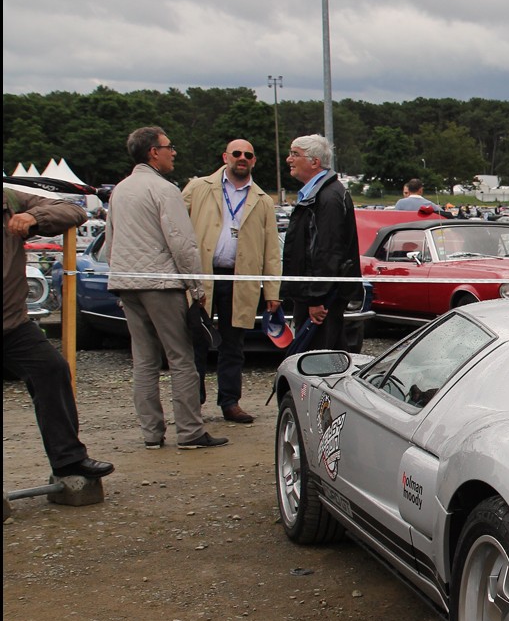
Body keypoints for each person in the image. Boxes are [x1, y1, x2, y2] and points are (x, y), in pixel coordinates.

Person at [106, 127, 228, 450]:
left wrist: (119, 279)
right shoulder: (164, 189)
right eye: (168, 147)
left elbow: (111, 241)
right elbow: (183, 243)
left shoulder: (119, 190)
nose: (173, 152)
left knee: (144, 360)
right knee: (181, 358)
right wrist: (197, 286)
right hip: (160, 283)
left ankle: (151, 434)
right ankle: (189, 432)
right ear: (152, 152)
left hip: (127, 284)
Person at [2, 185, 114, 479]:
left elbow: (74, 210)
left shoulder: (10, 200)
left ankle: (69, 461)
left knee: (52, 370)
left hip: (11, 324)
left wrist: (33, 217)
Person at [183, 139, 281, 425]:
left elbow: (271, 250)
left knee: (233, 344)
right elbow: (176, 228)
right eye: (236, 153)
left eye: (248, 154)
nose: (242, 158)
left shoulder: (263, 200)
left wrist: (272, 291)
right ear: (225, 156)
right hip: (203, 277)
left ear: (254, 161)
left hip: (240, 280)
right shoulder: (198, 188)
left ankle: (230, 402)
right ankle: (192, 403)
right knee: (195, 341)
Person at [281, 134, 359, 352]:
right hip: (315, 295)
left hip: (321, 300)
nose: (289, 159)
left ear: (314, 162)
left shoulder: (327, 197)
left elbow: (327, 250)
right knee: (327, 353)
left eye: (294, 154)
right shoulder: (318, 194)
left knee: (318, 359)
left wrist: (317, 299)